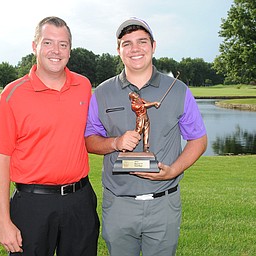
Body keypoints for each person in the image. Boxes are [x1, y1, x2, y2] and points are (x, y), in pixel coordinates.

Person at [85, 17, 207, 256]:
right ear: (118, 50)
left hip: (164, 204)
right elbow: (90, 139)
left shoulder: (178, 90)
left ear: (153, 45)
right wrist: (115, 143)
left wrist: (174, 170)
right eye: (127, 43)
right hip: (119, 204)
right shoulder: (102, 92)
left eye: (142, 41)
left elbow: (198, 140)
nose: (135, 49)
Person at [0, 16, 99, 256]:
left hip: (79, 200)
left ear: (70, 49)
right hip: (32, 205)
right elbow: (0, 159)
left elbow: (94, 134)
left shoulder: (83, 86)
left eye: (63, 44)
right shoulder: (13, 94)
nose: (56, 51)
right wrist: (2, 221)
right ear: (34, 46)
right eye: (48, 43)